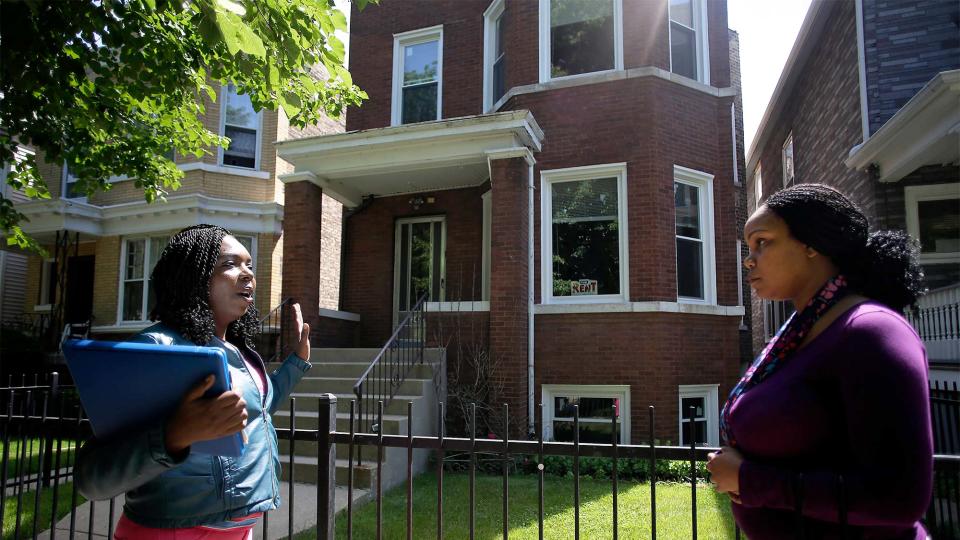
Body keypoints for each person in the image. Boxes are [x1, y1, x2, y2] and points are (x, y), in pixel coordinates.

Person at [707, 184, 933, 539]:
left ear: (811, 244)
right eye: (749, 248)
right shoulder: (797, 333)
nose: (749, 260)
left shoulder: (870, 332)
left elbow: (899, 498)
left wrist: (750, 481)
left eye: (762, 242)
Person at [75, 224, 312, 539]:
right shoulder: (158, 348)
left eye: (249, 266)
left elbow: (258, 411)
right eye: (229, 264)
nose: (247, 275)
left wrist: (296, 361)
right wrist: (176, 435)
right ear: (192, 276)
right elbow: (93, 478)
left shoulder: (243, 353)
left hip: (240, 531)